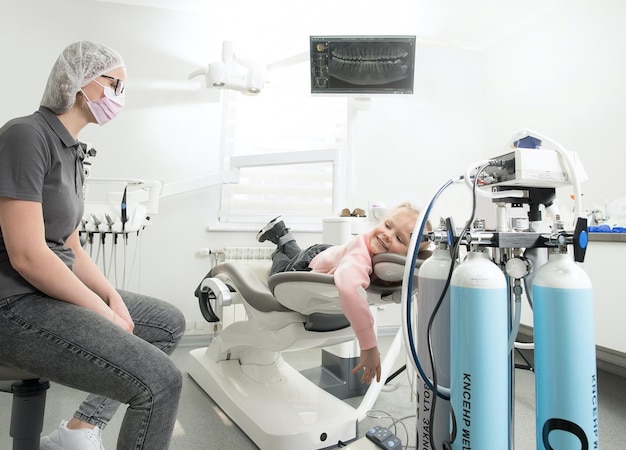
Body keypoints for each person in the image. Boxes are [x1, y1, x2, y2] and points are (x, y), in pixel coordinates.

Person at [0, 41, 185, 450]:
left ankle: (79, 430)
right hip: (14, 302)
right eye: (115, 84)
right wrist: (101, 311)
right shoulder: (25, 135)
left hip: (49, 292)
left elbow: (70, 245)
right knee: (160, 382)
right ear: (81, 82)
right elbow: (28, 256)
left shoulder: (73, 151)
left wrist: (111, 298)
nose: (120, 96)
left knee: (166, 322)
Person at [256, 203, 431, 385]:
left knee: (296, 254)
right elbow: (349, 288)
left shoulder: (380, 256)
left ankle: (283, 234)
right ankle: (280, 240)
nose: (387, 235)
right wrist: (369, 346)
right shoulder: (360, 255)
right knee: (279, 272)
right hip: (310, 261)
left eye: (399, 239)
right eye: (388, 225)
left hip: (329, 253)